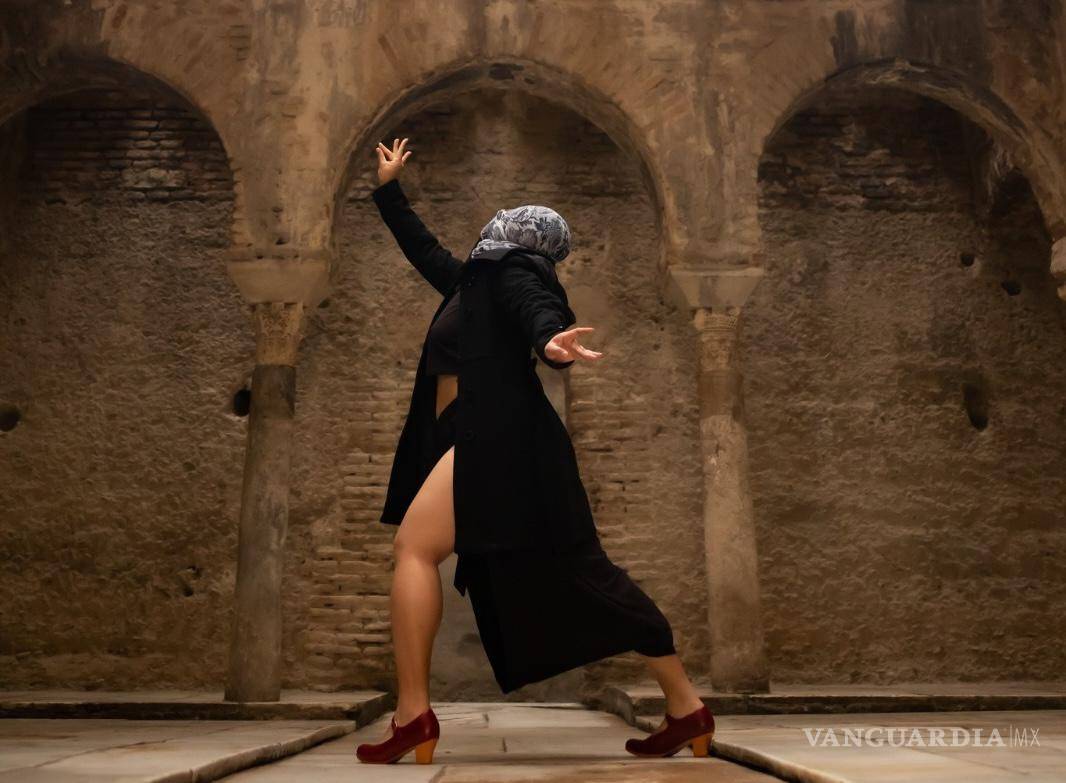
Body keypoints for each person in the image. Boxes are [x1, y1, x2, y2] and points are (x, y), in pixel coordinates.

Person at [355, 138, 715, 765]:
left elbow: (538, 306)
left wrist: (551, 341)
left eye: (510, 219)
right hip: (484, 438)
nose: (496, 223)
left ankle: (413, 717)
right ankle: (686, 709)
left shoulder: (515, 270)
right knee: (580, 572)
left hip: (500, 436)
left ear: (524, 238)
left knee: (416, 548)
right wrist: (390, 191)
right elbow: (425, 251)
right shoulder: (473, 282)